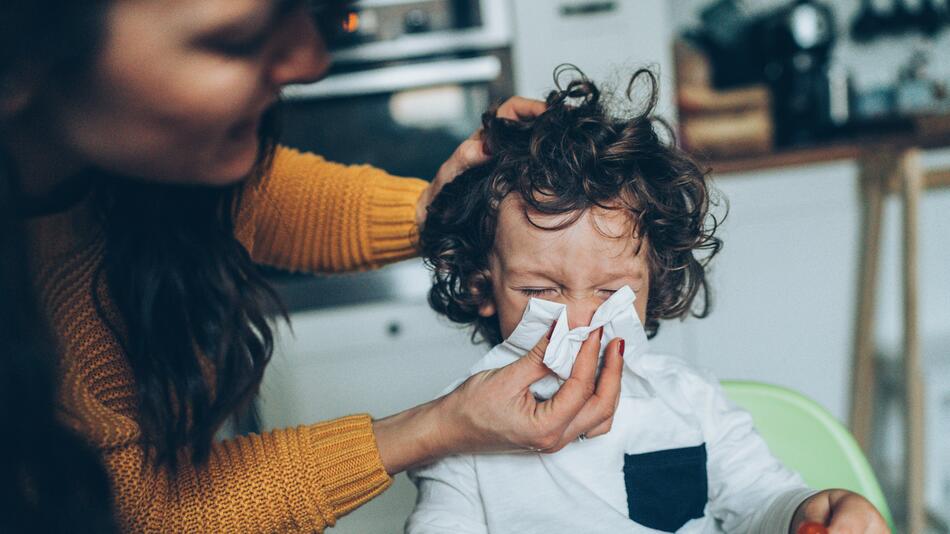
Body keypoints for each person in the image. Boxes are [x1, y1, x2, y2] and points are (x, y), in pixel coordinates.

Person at [0, 1, 623, 531]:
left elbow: (265, 200)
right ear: (21, 57)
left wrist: (447, 214)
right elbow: (137, 514)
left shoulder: (142, 170)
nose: (311, 61)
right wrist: (437, 426)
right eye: (236, 40)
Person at [408, 69, 890, 533]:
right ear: (480, 285)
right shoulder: (460, 432)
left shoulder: (689, 402)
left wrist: (809, 512)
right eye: (539, 291)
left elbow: (757, 503)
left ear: (653, 284)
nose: (579, 323)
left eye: (611, 292)